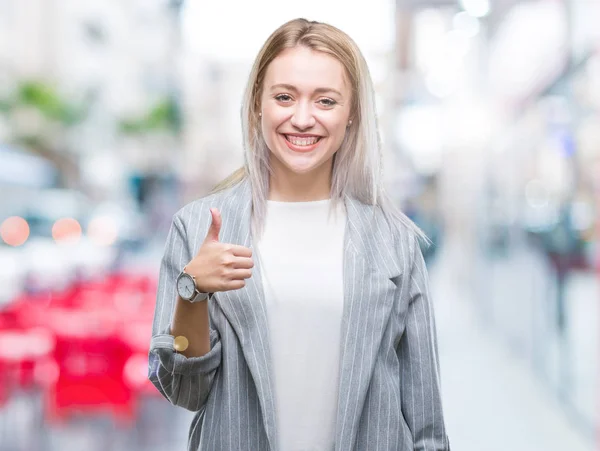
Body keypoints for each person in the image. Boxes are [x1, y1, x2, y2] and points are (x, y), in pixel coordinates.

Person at [148, 18, 450, 451]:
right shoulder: (197, 228)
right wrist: (192, 293)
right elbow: (184, 392)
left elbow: (427, 427)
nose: (302, 118)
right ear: (257, 104)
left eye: (325, 101)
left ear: (352, 116)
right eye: (284, 97)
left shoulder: (393, 241)